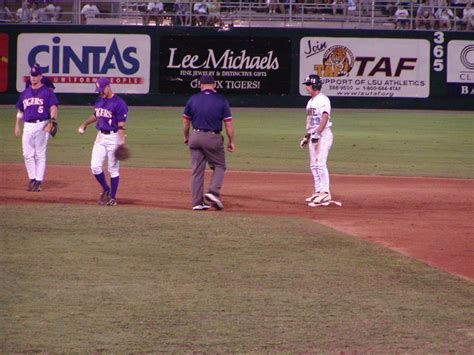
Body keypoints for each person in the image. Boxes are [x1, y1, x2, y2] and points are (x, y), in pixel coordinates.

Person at [182, 75, 235, 211]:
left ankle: (197, 203)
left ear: (200, 85)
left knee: (197, 171)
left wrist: (187, 137)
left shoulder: (193, 99)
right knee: (219, 165)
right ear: (214, 85)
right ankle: (213, 192)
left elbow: (186, 122)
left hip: (195, 136)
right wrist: (231, 141)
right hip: (212, 137)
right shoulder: (221, 100)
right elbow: (228, 124)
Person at [77, 78, 128, 206]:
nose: (101, 93)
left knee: (113, 169)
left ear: (108, 86)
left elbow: (121, 125)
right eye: (98, 91)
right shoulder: (100, 100)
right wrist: (85, 123)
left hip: (114, 137)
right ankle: (106, 188)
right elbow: (96, 115)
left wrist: (121, 143)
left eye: (102, 90)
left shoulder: (119, 103)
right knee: (95, 167)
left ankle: (112, 197)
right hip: (100, 137)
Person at [14, 63, 59, 192]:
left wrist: (52, 120)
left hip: (41, 125)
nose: (33, 77)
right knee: (27, 154)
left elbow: (53, 107)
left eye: (35, 75)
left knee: (40, 154)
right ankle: (32, 179)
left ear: (40, 76)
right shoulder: (25, 93)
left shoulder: (47, 92)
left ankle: (38, 181)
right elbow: (20, 111)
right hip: (27, 125)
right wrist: (17, 125)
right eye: (32, 75)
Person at [300, 74, 334, 207]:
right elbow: (310, 122)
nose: (307, 87)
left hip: (324, 135)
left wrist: (318, 132)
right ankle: (318, 191)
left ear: (315, 85)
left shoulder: (323, 100)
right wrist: (306, 137)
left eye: (308, 85)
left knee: (320, 164)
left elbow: (325, 116)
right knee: (313, 165)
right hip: (314, 135)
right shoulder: (310, 102)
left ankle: (325, 192)